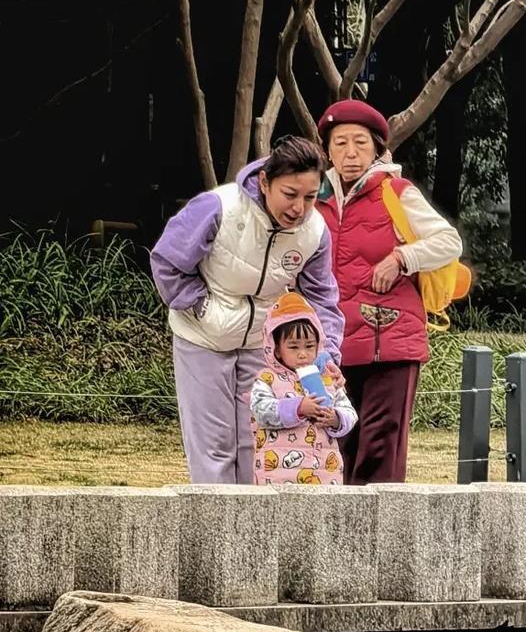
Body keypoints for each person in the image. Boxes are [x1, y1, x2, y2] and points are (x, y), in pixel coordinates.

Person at [150, 136, 343, 485]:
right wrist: (201, 307)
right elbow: (167, 262)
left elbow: (322, 298)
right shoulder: (219, 207)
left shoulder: (315, 231)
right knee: (212, 448)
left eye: (310, 197)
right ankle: (213, 533)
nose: (299, 208)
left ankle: (253, 534)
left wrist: (326, 355)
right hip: (201, 338)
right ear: (265, 182)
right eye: (290, 194)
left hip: (261, 345)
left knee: (258, 441)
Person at [315, 98, 462, 484]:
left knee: (380, 443)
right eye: (341, 143)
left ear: (378, 149)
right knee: (338, 439)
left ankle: (380, 534)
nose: (350, 153)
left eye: (360, 143)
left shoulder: (395, 192)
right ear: (327, 150)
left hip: (389, 338)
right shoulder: (316, 198)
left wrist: (401, 258)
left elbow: (449, 242)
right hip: (331, 341)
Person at [250, 291, 357, 487]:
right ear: (276, 349)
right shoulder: (268, 379)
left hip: (325, 473)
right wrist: (298, 407)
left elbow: (350, 412)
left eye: (309, 346)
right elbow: (260, 411)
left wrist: (336, 418)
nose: (303, 354)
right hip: (278, 477)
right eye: (293, 347)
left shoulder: (327, 378)